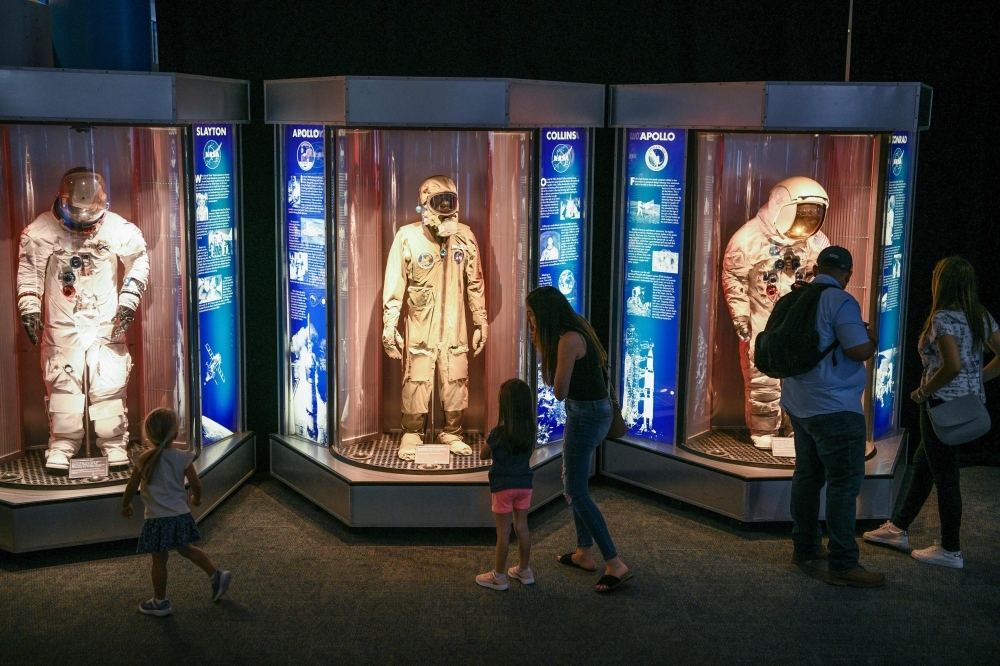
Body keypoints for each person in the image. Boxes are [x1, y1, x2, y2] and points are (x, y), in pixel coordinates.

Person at [864, 257, 1000, 568]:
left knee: (946, 477)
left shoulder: (942, 319)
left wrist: (923, 391)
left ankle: (950, 549)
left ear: (942, 283)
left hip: (939, 405)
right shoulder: (980, 315)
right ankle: (897, 528)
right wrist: (976, 380)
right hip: (967, 404)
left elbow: (950, 366)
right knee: (924, 465)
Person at [18, 168, 149, 471]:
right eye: (76, 212)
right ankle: (62, 445)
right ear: (62, 202)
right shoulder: (41, 231)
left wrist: (129, 299)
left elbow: (139, 258)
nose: (82, 221)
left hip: (107, 322)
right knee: (63, 384)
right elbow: (30, 271)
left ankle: (114, 444)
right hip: (63, 324)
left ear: (101, 205)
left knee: (109, 383)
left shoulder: (117, 229)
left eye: (89, 213)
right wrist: (30, 307)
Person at [781, 246, 884, 587]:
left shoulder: (796, 297)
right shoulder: (841, 301)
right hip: (836, 408)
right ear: (849, 274)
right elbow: (857, 350)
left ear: (816, 267)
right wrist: (871, 338)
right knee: (843, 484)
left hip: (799, 404)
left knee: (807, 477)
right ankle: (842, 563)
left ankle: (806, 547)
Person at [525, 286, 632, 593]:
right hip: (588, 412)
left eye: (531, 314)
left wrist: (542, 350)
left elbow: (558, 391)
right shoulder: (576, 326)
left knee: (574, 489)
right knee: (575, 483)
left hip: (585, 415)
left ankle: (615, 562)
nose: (529, 320)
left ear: (544, 314)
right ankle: (584, 552)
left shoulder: (567, 340)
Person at [381, 175, 487, 460]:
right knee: (416, 377)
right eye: (437, 201)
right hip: (420, 324)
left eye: (448, 200)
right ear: (424, 205)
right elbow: (394, 285)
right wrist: (389, 327)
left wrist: (480, 321)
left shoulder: (464, 237)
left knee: (455, 377)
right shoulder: (408, 237)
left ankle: (452, 432)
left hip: (454, 325)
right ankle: (412, 433)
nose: (444, 207)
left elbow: (475, 283)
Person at [722, 177, 830, 449]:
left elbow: (824, 278)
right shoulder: (748, 238)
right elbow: (734, 278)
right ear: (781, 207)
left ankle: (798, 428)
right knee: (763, 381)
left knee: (800, 377)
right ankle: (764, 431)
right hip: (763, 320)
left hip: (799, 321)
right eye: (802, 214)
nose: (807, 221)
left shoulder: (816, 240)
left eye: (814, 214)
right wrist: (740, 316)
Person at [121, 408, 231, 616]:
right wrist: (196, 499)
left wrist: (125, 505)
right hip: (180, 516)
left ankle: (160, 602)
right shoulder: (182, 457)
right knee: (187, 549)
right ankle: (216, 575)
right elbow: (196, 484)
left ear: (148, 434)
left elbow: (131, 487)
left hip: (157, 520)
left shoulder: (143, 459)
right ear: (174, 434)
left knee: (159, 560)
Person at [475, 379, 536, 591]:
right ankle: (524, 570)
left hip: (503, 486)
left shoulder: (498, 433)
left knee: (503, 532)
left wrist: (490, 442)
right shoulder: (531, 431)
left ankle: (498, 577)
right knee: (522, 528)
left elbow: (483, 455)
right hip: (524, 484)